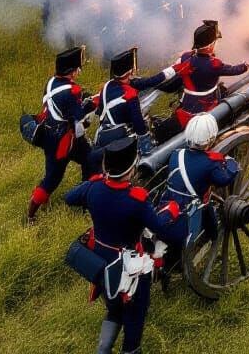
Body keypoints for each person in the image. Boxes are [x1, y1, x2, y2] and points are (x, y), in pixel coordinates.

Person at [64, 138, 180, 354]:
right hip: (129, 267)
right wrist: (171, 210)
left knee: (114, 307)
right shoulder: (136, 199)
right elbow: (159, 228)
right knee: (135, 318)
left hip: (100, 260)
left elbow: (69, 197)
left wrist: (94, 185)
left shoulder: (94, 187)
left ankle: (103, 350)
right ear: (132, 168)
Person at [159, 113, 240, 268]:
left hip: (169, 202)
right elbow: (223, 179)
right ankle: (207, 244)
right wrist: (231, 163)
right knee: (211, 226)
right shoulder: (210, 162)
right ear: (210, 139)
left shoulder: (176, 154)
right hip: (192, 210)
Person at [26, 46, 94, 222]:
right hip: (65, 140)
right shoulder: (73, 90)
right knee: (88, 162)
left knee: (54, 176)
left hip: (49, 135)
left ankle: (31, 214)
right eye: (77, 68)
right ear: (72, 71)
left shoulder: (50, 82)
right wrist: (93, 103)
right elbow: (80, 117)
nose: (79, 71)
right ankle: (86, 201)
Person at [90, 48, 177, 165]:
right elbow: (138, 124)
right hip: (119, 138)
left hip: (102, 134)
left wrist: (173, 69)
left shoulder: (108, 85)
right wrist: (146, 144)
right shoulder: (130, 95)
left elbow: (147, 82)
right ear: (129, 73)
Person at [171, 20, 249, 128]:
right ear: (210, 46)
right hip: (205, 105)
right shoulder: (214, 65)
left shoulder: (185, 57)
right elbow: (233, 70)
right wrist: (245, 66)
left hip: (187, 103)